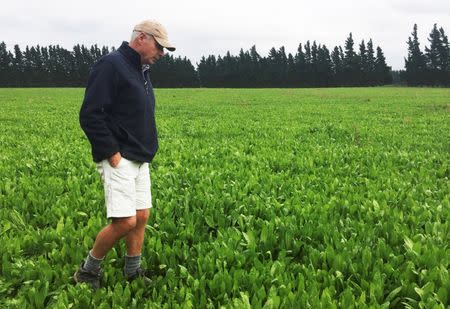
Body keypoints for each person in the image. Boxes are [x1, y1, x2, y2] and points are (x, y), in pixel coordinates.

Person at [74, 20, 175, 289]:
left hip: (140, 158)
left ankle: (133, 271)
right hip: (120, 158)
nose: (163, 53)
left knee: (141, 217)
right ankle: (87, 270)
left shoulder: (141, 70)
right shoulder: (111, 64)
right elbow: (91, 114)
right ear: (142, 38)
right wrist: (111, 153)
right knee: (124, 221)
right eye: (160, 46)